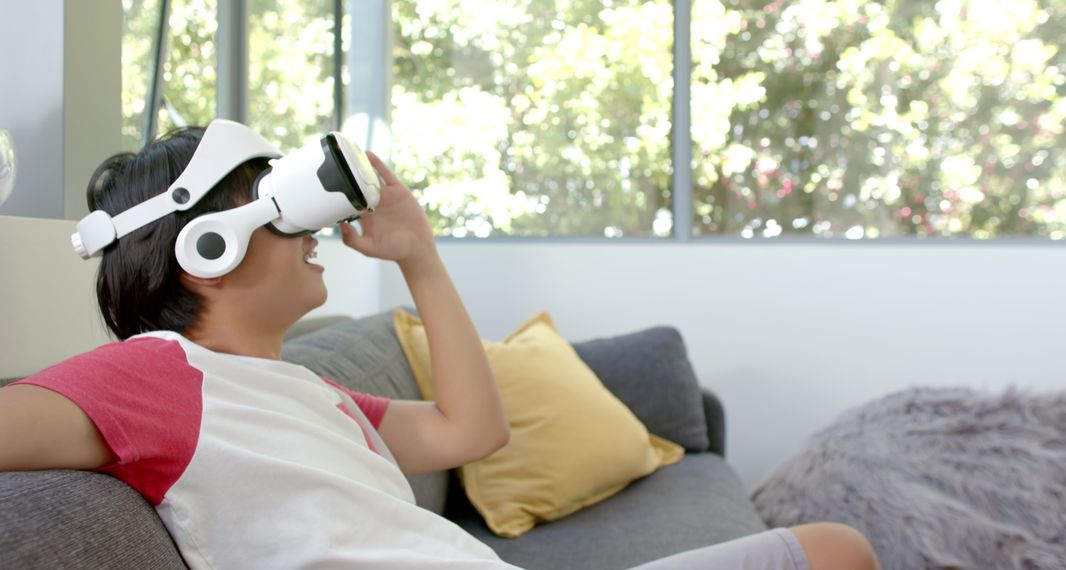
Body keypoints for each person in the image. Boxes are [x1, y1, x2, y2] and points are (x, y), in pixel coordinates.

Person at [0, 126, 879, 570]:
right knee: (836, 550)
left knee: (834, 547)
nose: (319, 231)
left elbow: (473, 431)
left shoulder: (312, 391)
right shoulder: (158, 374)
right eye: (281, 209)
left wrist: (418, 252)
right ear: (207, 251)